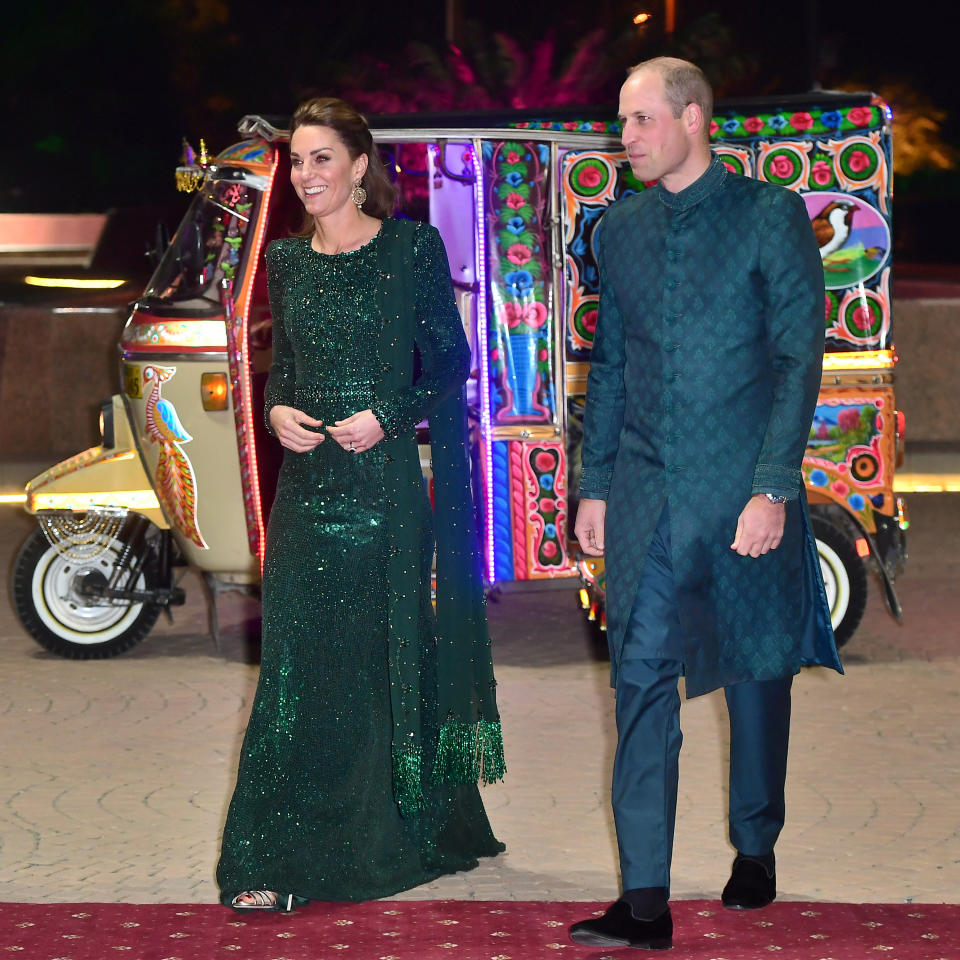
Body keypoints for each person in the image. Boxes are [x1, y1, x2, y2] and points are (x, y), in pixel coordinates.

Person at [569, 58, 842, 950]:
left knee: (757, 679)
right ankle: (644, 902)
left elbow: (799, 361)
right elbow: (608, 367)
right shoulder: (621, 230)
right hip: (647, 500)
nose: (628, 138)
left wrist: (772, 488)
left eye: (642, 120)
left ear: (693, 119)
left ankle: (756, 844)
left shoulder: (770, 218)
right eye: (623, 121)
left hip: (743, 498)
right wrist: (595, 485)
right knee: (640, 684)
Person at [216, 97, 504, 911]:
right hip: (307, 500)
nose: (305, 176)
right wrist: (276, 410)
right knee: (296, 674)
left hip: (384, 499)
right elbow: (287, 370)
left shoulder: (410, 248)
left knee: (382, 668)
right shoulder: (285, 261)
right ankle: (269, 853)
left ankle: (388, 833)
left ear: (357, 164)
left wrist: (390, 414)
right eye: (296, 162)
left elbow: (451, 362)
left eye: (320, 160)